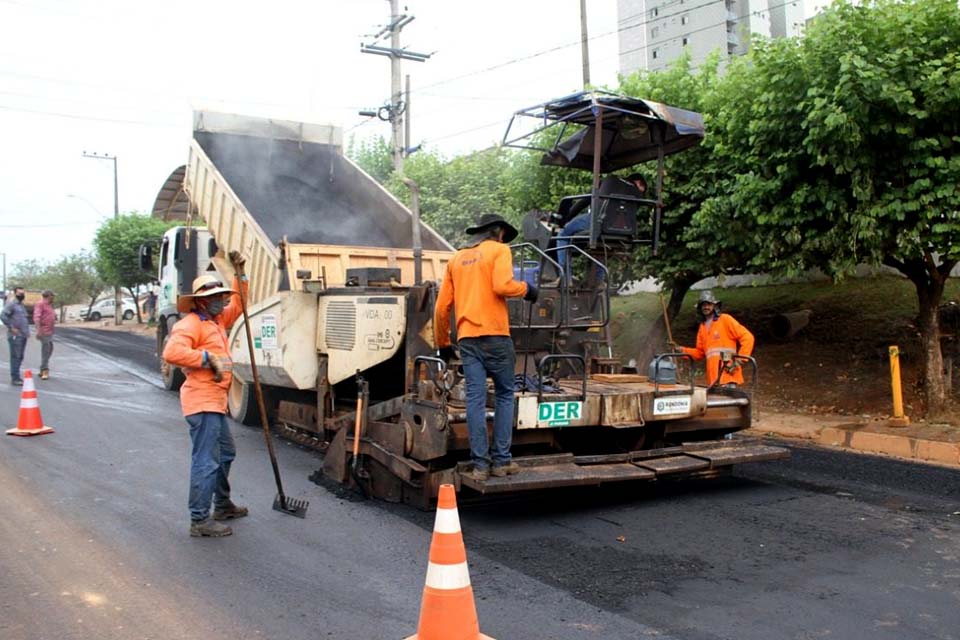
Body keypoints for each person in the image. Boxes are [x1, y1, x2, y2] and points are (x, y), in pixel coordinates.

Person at [434, 213, 537, 481]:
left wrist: (443, 343)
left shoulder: (456, 259)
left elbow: (441, 306)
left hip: (468, 340)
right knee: (504, 395)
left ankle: (480, 465)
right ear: (499, 232)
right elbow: (502, 285)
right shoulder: (499, 250)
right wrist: (528, 289)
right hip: (496, 337)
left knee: (475, 401)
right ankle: (501, 462)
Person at [162, 251, 249, 538]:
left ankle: (222, 504)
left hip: (216, 401)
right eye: (214, 297)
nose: (220, 300)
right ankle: (199, 519)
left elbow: (240, 304)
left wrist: (240, 274)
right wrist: (205, 359)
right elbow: (171, 352)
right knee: (207, 459)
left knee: (226, 453)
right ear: (200, 300)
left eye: (221, 296)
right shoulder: (190, 324)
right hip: (202, 401)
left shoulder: (216, 321)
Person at [556, 172, 648, 277]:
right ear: (639, 183)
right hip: (621, 232)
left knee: (563, 234)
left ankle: (565, 278)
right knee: (603, 246)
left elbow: (582, 202)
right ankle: (598, 283)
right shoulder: (638, 195)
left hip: (598, 221)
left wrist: (566, 219)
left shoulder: (609, 180)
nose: (642, 193)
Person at [675, 290, 755, 387]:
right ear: (699, 308)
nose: (706, 307)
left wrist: (738, 361)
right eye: (703, 305)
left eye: (708, 304)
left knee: (728, 401)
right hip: (713, 378)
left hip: (727, 373)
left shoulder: (725, 319)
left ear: (715, 306)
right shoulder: (702, 327)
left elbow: (748, 337)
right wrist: (681, 350)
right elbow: (700, 353)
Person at [1, 286, 30, 386]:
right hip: (15, 335)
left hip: (23, 335)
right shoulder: (12, 304)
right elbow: (3, 315)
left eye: (23, 293)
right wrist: (11, 327)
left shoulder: (21, 305)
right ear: (15, 293)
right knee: (15, 356)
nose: (22, 295)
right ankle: (15, 378)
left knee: (20, 356)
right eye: (19, 293)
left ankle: (16, 375)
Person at [33, 290, 56, 380]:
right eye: (52, 296)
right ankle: (44, 370)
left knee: (50, 349)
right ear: (48, 296)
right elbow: (36, 318)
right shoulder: (40, 304)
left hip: (50, 331)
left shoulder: (49, 305)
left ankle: (43, 367)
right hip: (44, 331)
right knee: (46, 350)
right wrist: (38, 331)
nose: (53, 297)